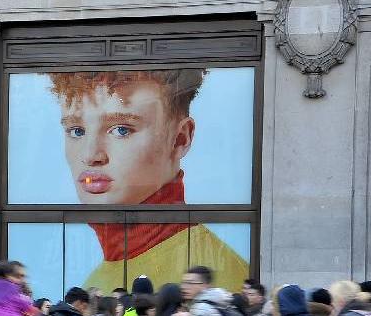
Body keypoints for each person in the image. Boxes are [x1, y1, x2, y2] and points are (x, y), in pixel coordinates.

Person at [46, 70, 248, 291]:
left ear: (180, 139)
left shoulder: (219, 278)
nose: (91, 155)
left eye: (121, 130)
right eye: (76, 131)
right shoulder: (100, 276)